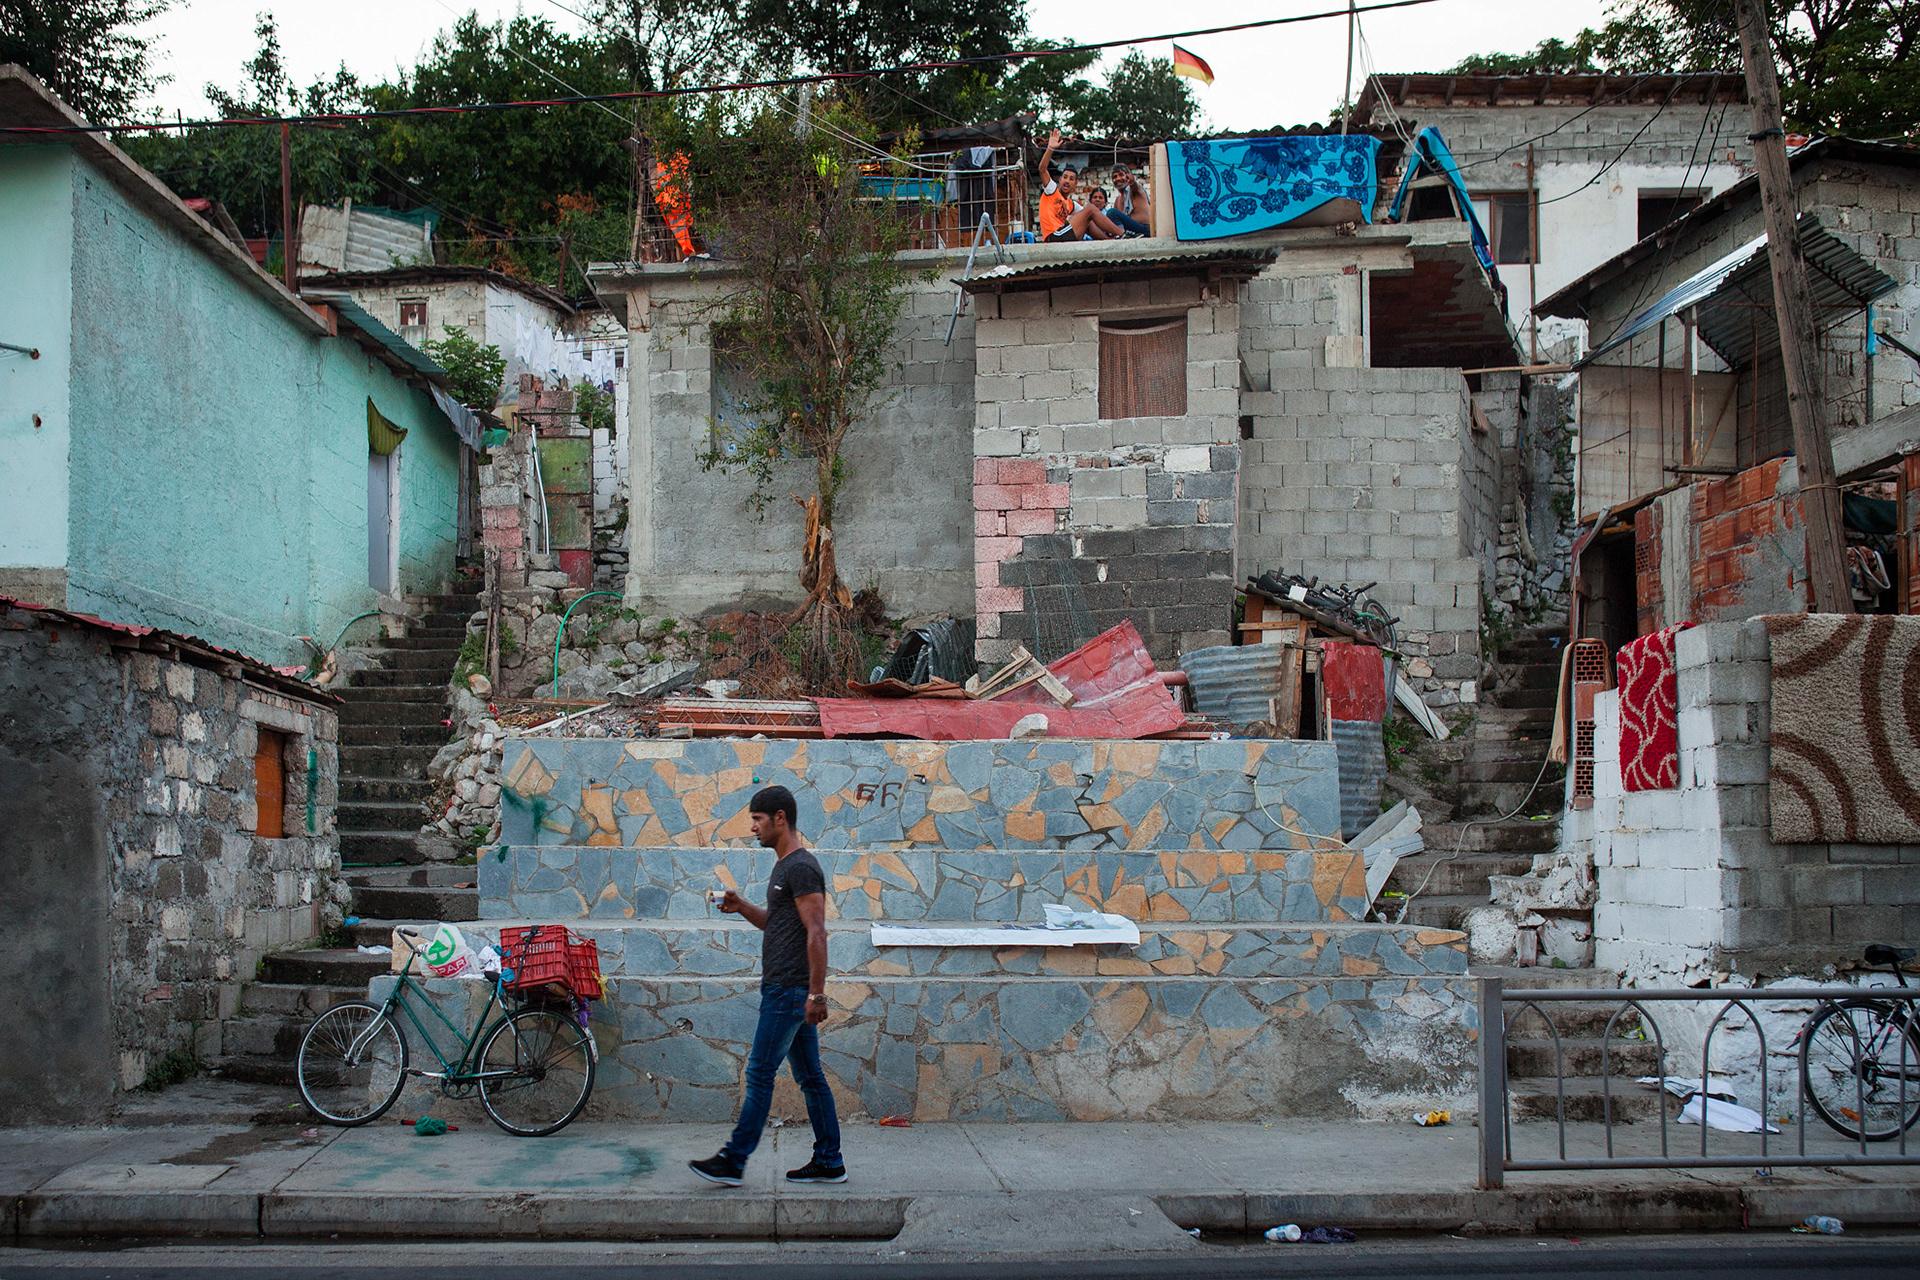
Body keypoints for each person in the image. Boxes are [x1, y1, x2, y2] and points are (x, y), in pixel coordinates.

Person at [689, 786, 845, 1187]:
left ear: (780, 818)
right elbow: (778, 926)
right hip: (786, 989)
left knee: (759, 1072)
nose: (752, 827)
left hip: (789, 991)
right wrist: (741, 906)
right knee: (811, 1078)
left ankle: (734, 1160)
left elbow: (817, 932)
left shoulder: (801, 867)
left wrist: (816, 993)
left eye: (757, 820)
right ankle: (830, 1160)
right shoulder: (784, 868)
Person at [1036, 127, 1124, 244]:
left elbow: (1092, 217)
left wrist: (1107, 229)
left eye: (1071, 179)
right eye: (1065, 177)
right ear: (1060, 179)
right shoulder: (1052, 190)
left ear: (1075, 184)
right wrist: (1050, 148)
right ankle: (1123, 235)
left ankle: (1110, 241)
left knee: (1088, 218)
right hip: (1054, 236)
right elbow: (1042, 169)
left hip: (1064, 238)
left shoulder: (1071, 205)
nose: (1067, 181)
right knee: (1091, 209)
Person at [1107, 161, 1153, 236]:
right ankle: (1122, 235)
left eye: (1121, 175)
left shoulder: (1135, 190)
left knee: (1112, 213)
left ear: (1128, 176)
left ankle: (1122, 236)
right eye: (1115, 177)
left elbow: (1135, 187)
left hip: (1144, 230)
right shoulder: (1117, 200)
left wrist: (1132, 182)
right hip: (1130, 231)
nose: (1118, 178)